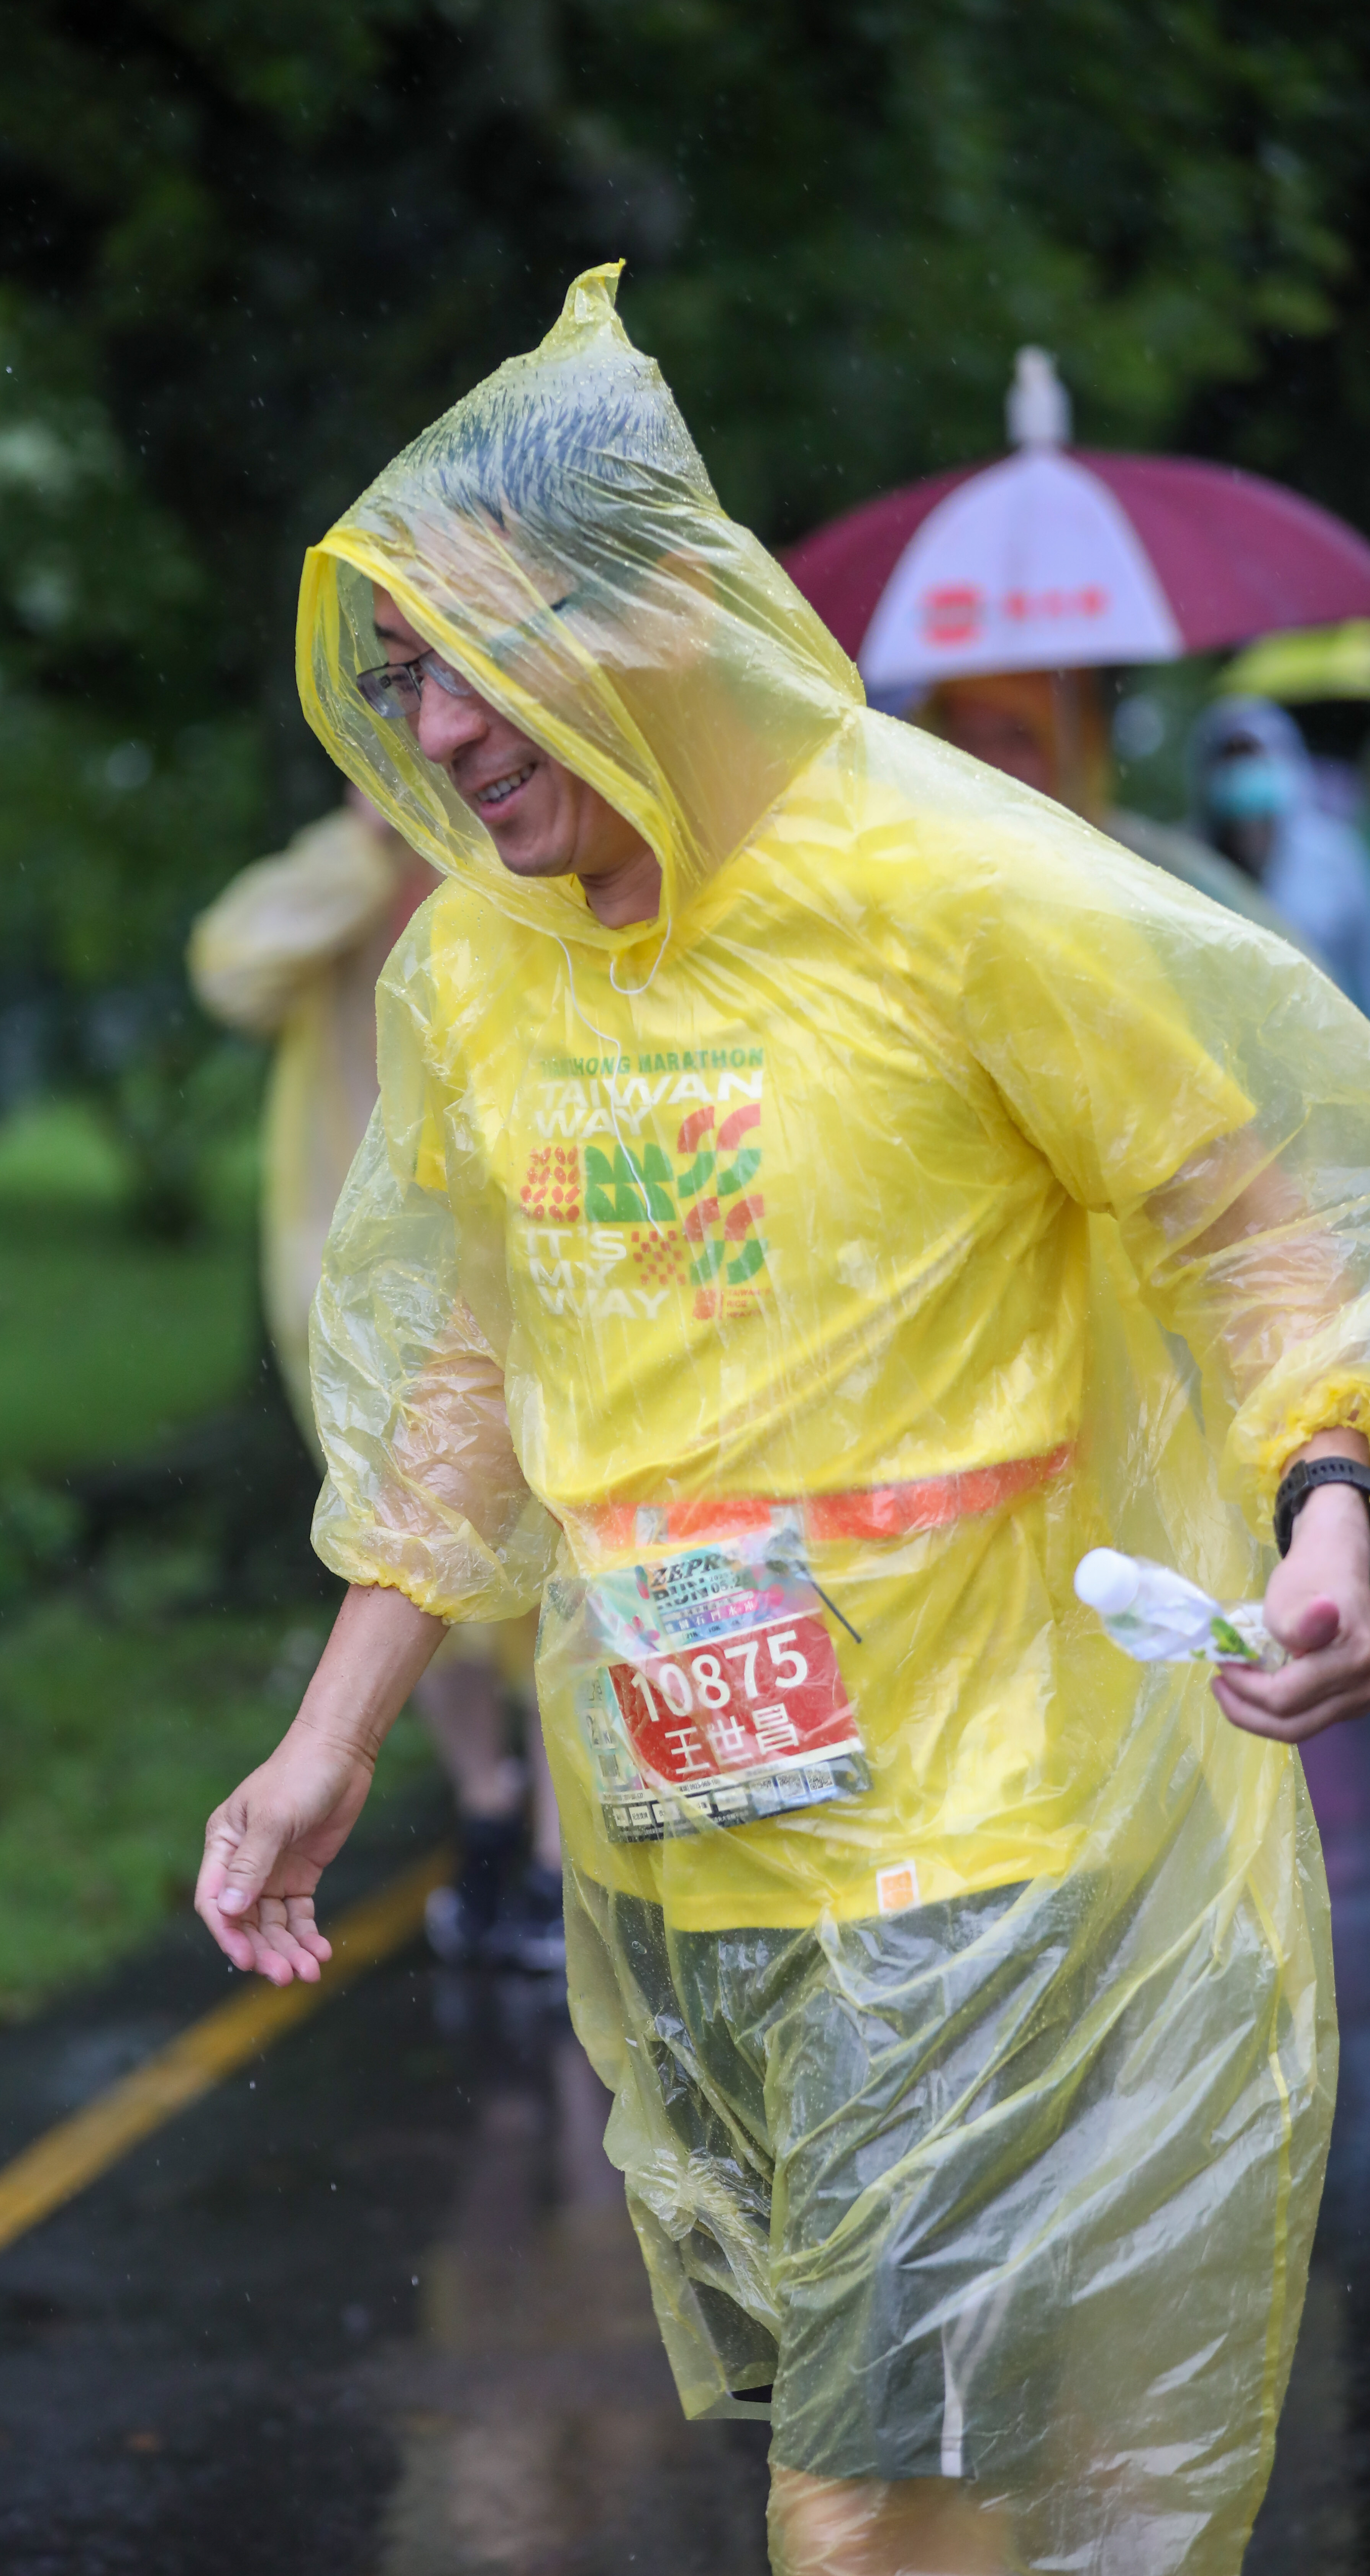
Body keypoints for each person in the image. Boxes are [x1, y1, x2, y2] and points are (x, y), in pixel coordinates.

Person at [194, 264, 1370, 2575]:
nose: (440, 728)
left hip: (975, 1834)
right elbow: (466, 1375)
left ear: (643, 628)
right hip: (678, 1839)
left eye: (478, 654)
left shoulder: (947, 888)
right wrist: (332, 1738)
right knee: (914, 2452)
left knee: (865, 2484)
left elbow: (1253, 1227)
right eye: (401, 672)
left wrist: (1322, 1496)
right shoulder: (480, 963)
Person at [189, 790, 564, 1970]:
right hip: (354, 1298)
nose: (443, 741)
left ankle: (561, 1864)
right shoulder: (350, 882)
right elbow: (231, 969)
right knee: (401, 1558)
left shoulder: (548, 854)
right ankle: (489, 1806)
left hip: (526, 1261)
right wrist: (363, 844)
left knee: (560, 1571)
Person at [925, 666, 1313, 950]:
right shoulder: (919, 869)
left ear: (1071, 748)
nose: (988, 761)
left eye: (1016, 739)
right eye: (967, 737)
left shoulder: (1151, 875)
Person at [1191, 695, 1370, 1014]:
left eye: (1255, 761)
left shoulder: (1335, 859)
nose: (1243, 780)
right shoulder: (1189, 863)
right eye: (1231, 763)